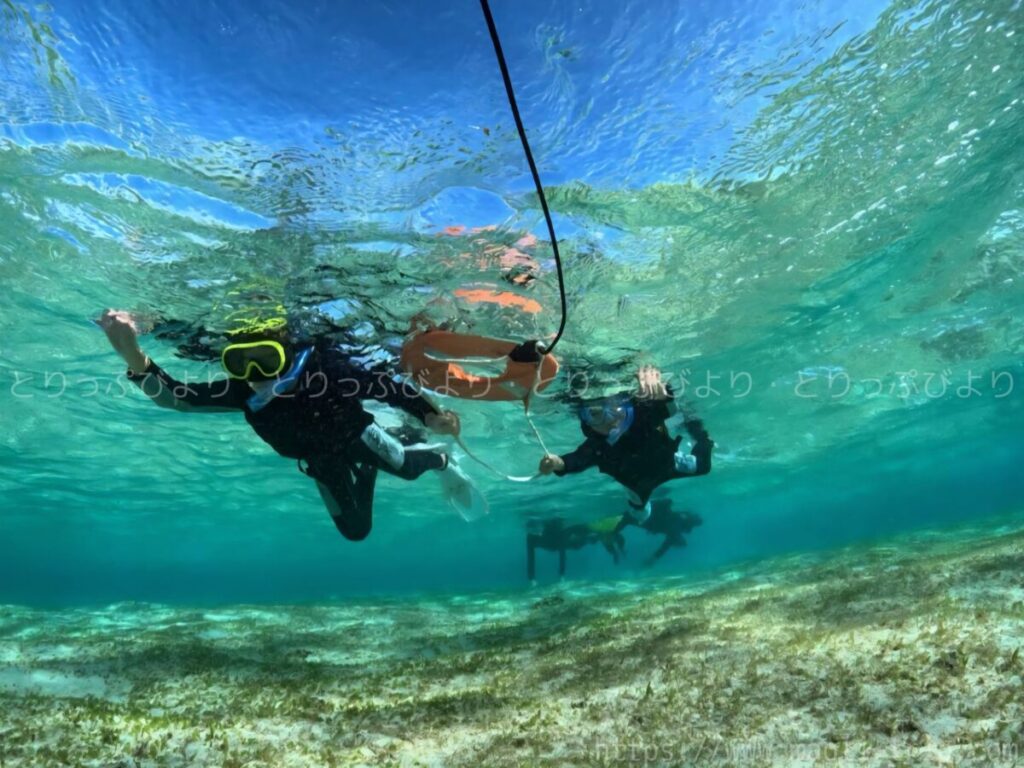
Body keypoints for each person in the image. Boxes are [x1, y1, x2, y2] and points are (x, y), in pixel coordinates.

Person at [98, 309, 477, 541]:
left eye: (267, 359)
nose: (256, 373)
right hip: (318, 460)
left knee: (407, 469)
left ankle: (441, 460)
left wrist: (429, 416)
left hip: (358, 436)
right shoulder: (242, 390)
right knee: (356, 531)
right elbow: (176, 399)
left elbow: (390, 388)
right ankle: (377, 461)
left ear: (289, 352)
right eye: (240, 362)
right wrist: (131, 354)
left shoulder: (329, 372)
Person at [537, 365, 713, 525]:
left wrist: (662, 392)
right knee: (640, 513)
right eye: (595, 414)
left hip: (670, 465)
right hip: (637, 485)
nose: (610, 420)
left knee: (704, 466)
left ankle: (707, 440)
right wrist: (557, 463)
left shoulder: (643, 416)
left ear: (628, 404)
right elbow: (575, 461)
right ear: (586, 422)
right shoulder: (597, 446)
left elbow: (667, 408)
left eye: (615, 407)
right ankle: (640, 509)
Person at [526, 516, 624, 583]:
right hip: (562, 541)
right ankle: (610, 544)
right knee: (589, 538)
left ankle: (612, 544)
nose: (537, 532)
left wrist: (562, 575)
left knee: (587, 539)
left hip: (571, 541)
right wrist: (532, 578)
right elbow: (531, 557)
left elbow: (562, 553)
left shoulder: (560, 533)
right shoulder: (532, 538)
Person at [624, 497, 703, 567]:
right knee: (629, 518)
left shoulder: (681, 519)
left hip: (654, 520)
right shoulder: (677, 528)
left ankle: (630, 511)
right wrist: (654, 558)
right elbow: (665, 545)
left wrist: (654, 558)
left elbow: (667, 544)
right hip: (653, 522)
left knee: (630, 517)